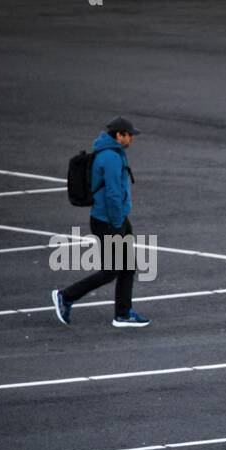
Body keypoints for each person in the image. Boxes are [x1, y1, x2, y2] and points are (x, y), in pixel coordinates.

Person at [52, 116, 151, 328]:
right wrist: (117, 225)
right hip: (110, 222)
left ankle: (123, 314)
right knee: (113, 270)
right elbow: (113, 194)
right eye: (129, 135)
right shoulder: (111, 158)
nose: (131, 139)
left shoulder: (112, 153)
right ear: (119, 135)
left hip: (113, 219)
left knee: (126, 267)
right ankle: (66, 296)